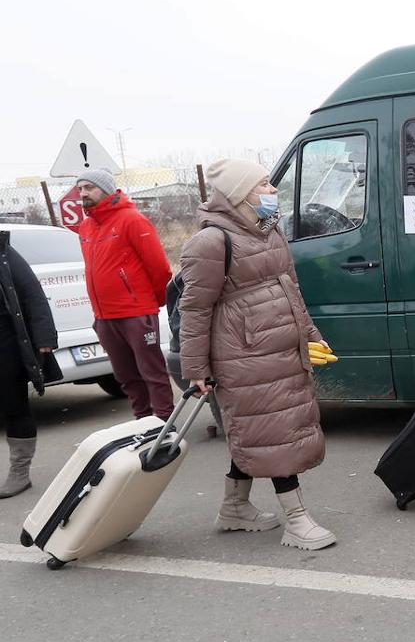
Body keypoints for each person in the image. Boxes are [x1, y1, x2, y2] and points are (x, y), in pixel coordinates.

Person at [178, 158, 336, 551]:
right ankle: (297, 521)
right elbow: (195, 309)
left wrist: (311, 335)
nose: (271, 190)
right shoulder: (211, 242)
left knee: (257, 433)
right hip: (244, 355)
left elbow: (291, 288)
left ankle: (234, 508)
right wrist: (196, 369)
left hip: (280, 347)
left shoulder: (269, 229)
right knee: (274, 433)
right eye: (263, 184)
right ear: (239, 193)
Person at [75, 169, 175, 421]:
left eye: (89, 187)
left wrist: (150, 303)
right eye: (80, 189)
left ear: (106, 189)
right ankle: (142, 421)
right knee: (125, 375)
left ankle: (164, 421)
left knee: (151, 370)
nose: (83, 193)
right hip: (104, 316)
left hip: (136, 312)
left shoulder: (132, 220)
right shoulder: (86, 227)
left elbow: (159, 267)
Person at [0, 234, 61, 499]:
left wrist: (45, 338)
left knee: (14, 406)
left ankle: (20, 472)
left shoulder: (5, 255)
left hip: (6, 345)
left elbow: (33, 295)